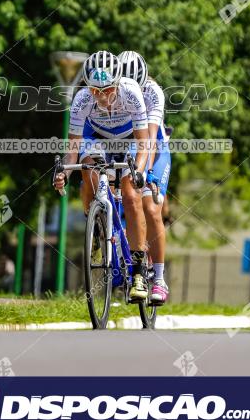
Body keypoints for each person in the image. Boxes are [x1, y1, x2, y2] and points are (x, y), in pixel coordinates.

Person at [53, 51, 150, 302]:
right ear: (88, 87)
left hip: (129, 140)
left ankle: (139, 273)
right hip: (97, 138)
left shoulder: (131, 93)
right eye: (96, 91)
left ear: (117, 83)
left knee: (130, 194)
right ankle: (96, 223)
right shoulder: (82, 100)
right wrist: (64, 171)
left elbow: (144, 144)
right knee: (88, 169)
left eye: (107, 90)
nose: (102, 96)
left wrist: (138, 172)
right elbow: (73, 148)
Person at [118, 51, 171, 305]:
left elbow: (149, 141)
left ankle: (159, 279)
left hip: (155, 148)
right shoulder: (115, 89)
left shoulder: (153, 93)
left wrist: (142, 175)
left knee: (150, 207)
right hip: (127, 146)